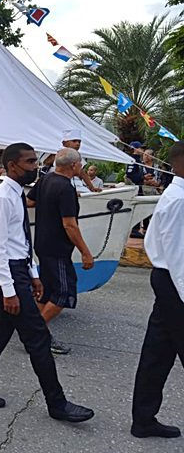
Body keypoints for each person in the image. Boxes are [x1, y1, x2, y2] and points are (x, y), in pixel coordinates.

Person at [0, 142, 94, 423]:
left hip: (18, 269)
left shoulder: (16, 194)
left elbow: (20, 240)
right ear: (13, 165)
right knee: (37, 337)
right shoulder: (1, 198)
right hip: (8, 273)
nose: (36, 167)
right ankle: (57, 403)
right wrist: (9, 290)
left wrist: (33, 273)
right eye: (30, 162)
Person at [131, 141, 184, 439]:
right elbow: (179, 257)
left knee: (157, 353)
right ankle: (143, 418)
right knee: (158, 353)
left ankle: (143, 419)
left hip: (168, 280)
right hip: (175, 283)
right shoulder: (179, 200)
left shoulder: (174, 195)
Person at [27, 148, 94, 355]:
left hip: (42, 243)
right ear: (73, 165)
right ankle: (35, 334)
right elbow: (69, 224)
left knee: (46, 291)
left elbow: (30, 201)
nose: (81, 166)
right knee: (64, 292)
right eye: (80, 163)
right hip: (57, 248)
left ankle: (40, 335)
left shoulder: (45, 180)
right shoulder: (65, 188)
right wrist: (85, 251)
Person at [126, 141, 146, 239]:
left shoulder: (139, 160)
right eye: (140, 148)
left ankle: (137, 228)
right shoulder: (132, 160)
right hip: (135, 186)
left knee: (140, 207)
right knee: (136, 207)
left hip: (140, 186)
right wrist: (142, 177)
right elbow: (130, 175)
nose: (142, 150)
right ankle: (134, 229)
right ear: (135, 149)